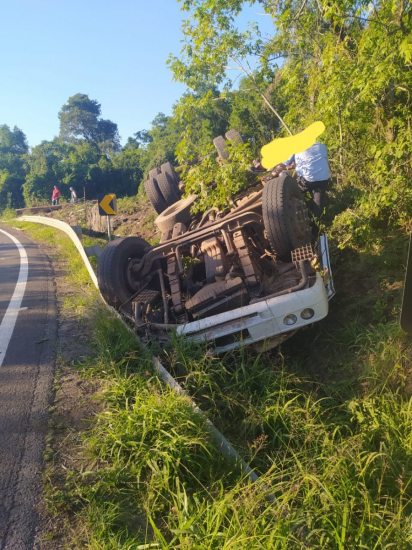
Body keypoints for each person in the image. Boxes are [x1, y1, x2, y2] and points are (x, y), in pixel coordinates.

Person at [281, 142, 331, 219]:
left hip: (308, 180)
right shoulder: (322, 145)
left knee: (292, 192)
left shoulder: (296, 146)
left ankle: (298, 210)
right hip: (324, 179)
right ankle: (316, 218)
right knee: (318, 205)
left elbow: (284, 163)